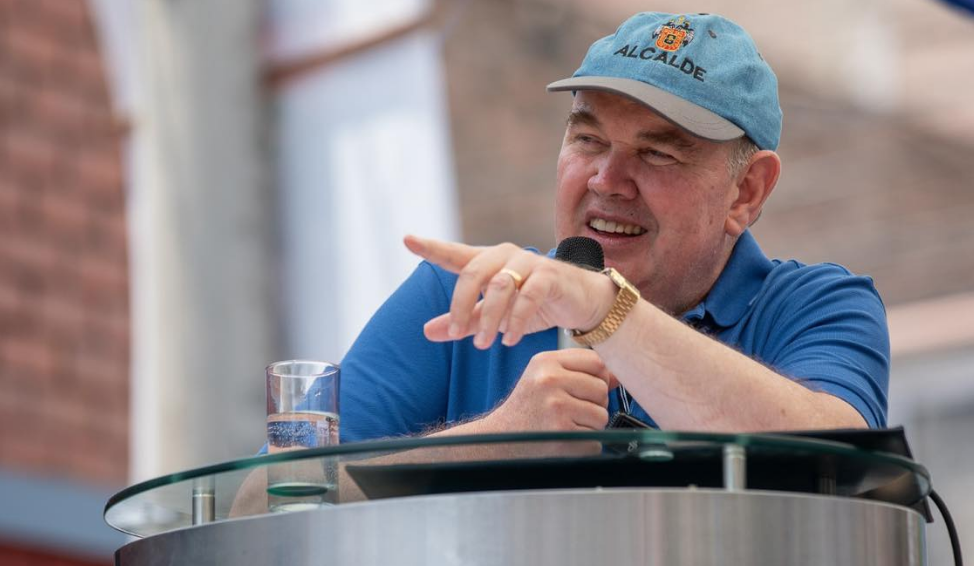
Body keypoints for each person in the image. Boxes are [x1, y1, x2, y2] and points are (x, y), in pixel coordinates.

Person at [340, 12, 889, 442]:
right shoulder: (460, 295)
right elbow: (292, 491)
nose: (607, 180)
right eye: (589, 140)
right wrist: (496, 439)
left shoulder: (816, 306)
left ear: (746, 191)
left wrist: (605, 311)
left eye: (657, 153)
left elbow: (835, 456)